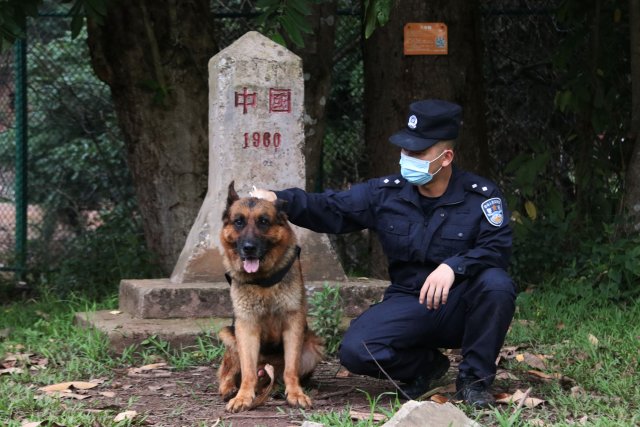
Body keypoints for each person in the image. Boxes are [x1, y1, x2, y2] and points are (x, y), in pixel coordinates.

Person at [251, 99, 516, 407]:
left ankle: (474, 381)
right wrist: (279, 199)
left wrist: (453, 267)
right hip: (410, 300)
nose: (408, 158)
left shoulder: (479, 196)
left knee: (497, 284)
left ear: (446, 158)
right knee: (356, 349)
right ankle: (426, 367)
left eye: (418, 152)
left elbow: (496, 248)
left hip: (461, 304)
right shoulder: (385, 193)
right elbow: (331, 207)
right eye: (405, 150)